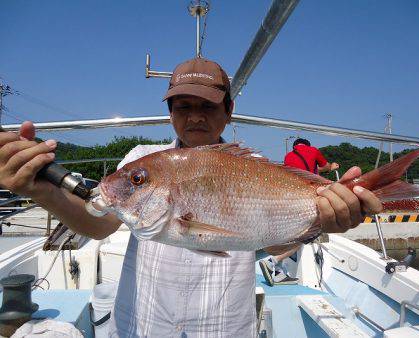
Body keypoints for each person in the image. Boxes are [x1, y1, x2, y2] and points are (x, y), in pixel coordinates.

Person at [0, 57, 382, 337]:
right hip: (143, 326)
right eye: (184, 107)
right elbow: (97, 224)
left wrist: (325, 219)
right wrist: (40, 189)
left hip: (224, 328)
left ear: (229, 111)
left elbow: (274, 241)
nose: (195, 116)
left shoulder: (255, 169)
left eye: (208, 106)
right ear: (170, 114)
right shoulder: (139, 160)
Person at [259, 138, 340, 286]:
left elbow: (304, 170)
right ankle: (273, 261)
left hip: (287, 197)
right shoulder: (313, 151)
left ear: (295, 146)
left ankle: (278, 272)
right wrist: (332, 167)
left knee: (288, 233)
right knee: (305, 235)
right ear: (307, 145)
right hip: (305, 197)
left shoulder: (288, 156)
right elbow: (324, 166)